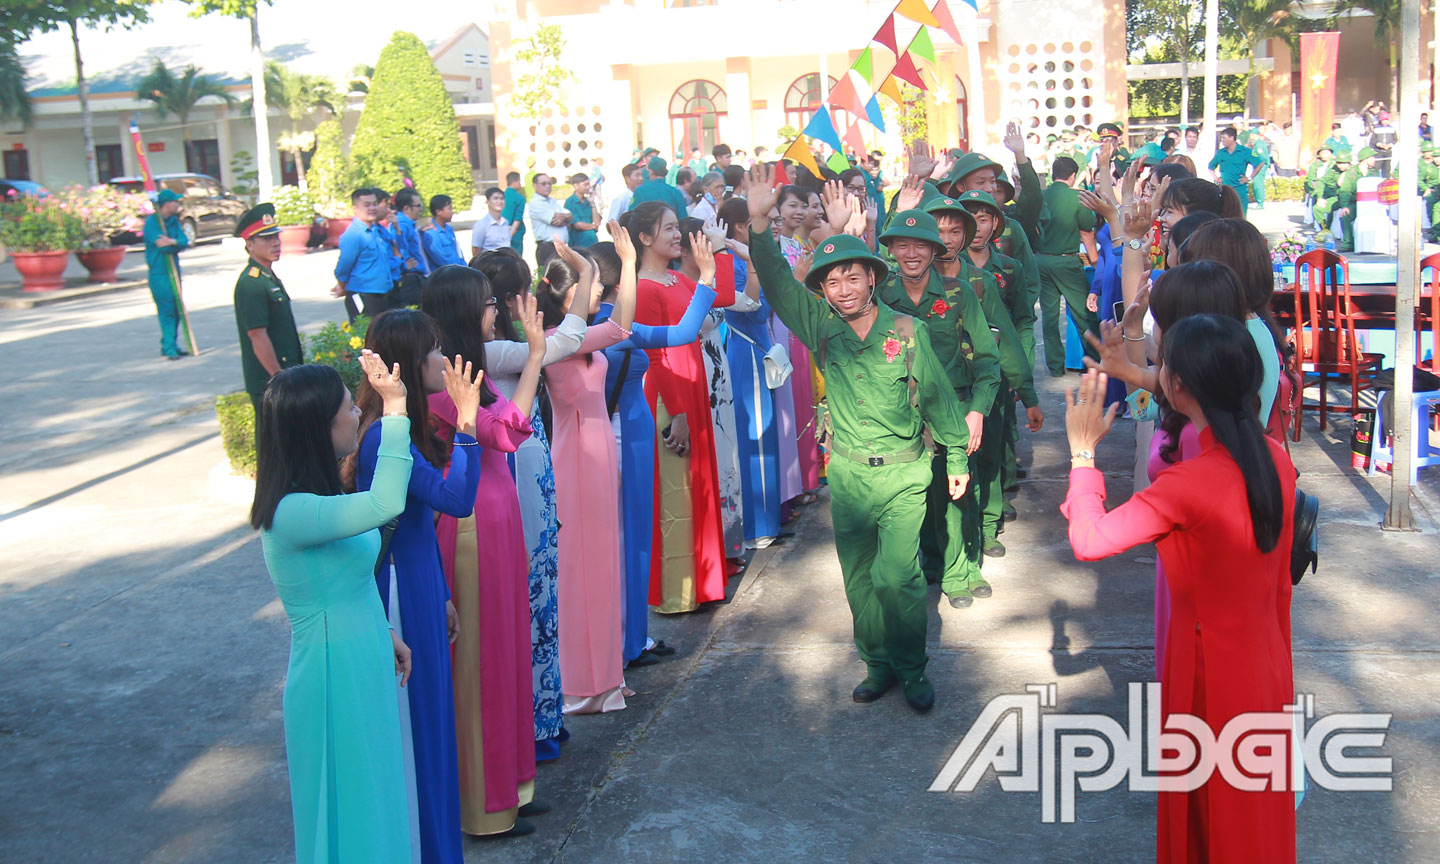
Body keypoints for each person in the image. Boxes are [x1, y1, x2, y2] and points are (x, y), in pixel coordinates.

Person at [1063, 318, 1296, 864]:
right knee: (1254, 810)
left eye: (1162, 363)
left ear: (1180, 385)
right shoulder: (1274, 461)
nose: (1157, 372)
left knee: (1208, 812)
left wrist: (1081, 456)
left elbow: (1091, 540)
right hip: (1262, 661)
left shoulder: (1188, 485)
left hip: (1207, 673)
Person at [745, 165, 970, 712]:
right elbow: (775, 280)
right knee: (860, 581)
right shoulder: (821, 326)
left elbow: (938, 397)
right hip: (846, 475)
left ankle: (913, 668)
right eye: (832, 281)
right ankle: (878, 665)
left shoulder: (906, 331)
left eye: (853, 277)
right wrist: (756, 221)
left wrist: (957, 453)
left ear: (873, 278)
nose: (843, 289)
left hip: (903, 473)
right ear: (822, 289)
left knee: (899, 578)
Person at [251, 352, 419, 864]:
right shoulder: (292, 512)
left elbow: (352, 573)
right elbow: (386, 504)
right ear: (318, 428)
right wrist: (395, 412)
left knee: (375, 793)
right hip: (331, 674)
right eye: (350, 408)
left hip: (360, 656)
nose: (356, 416)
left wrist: (383, 629)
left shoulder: (317, 497)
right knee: (350, 804)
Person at [350, 311, 483, 864]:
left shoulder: (397, 428)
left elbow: (417, 519)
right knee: (422, 730)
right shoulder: (385, 434)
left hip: (423, 585)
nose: (441, 359)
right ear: (405, 362)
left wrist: (446, 593)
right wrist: (470, 426)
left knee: (436, 725)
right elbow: (456, 501)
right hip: (402, 595)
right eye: (432, 350)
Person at [422, 266, 549, 838]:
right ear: (464, 310)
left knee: (506, 653)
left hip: (497, 519)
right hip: (470, 525)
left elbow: (507, 426)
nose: (494, 309)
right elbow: (505, 433)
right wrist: (536, 358)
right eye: (488, 302)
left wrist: (534, 355)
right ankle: (484, 804)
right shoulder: (443, 379)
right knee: (481, 664)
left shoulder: (465, 369)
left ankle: (513, 787)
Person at [472, 247, 586, 762]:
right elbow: (569, 342)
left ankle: (544, 716)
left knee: (542, 592)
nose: (503, 310)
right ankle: (534, 722)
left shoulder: (502, 347)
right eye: (497, 301)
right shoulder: (490, 354)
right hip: (514, 482)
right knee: (531, 597)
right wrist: (586, 278)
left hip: (532, 477)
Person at [591, 238, 715, 666]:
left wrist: (707, 279)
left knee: (627, 538)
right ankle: (623, 641)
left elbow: (681, 334)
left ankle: (630, 639)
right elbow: (679, 335)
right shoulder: (604, 330)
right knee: (625, 539)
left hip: (624, 434)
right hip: (620, 436)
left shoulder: (598, 328)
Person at [535, 235, 638, 714]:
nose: (598, 292)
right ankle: (578, 683)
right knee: (577, 570)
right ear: (565, 294)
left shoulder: (576, 337)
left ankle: (605, 678)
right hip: (575, 458)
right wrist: (591, 269)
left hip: (596, 451)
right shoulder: (555, 343)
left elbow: (618, 327)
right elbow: (614, 329)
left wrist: (625, 263)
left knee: (601, 565)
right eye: (588, 287)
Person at [876, 208, 1000, 604]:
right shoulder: (880, 297)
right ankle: (934, 562)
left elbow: (986, 358)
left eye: (921, 245)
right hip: (904, 415)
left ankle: (963, 567)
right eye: (902, 244)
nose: (911, 253)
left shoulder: (959, 293)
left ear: (934, 250)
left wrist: (978, 410)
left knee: (960, 492)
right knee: (919, 495)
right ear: (892, 249)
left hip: (957, 408)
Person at [629, 201, 735, 614]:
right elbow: (655, 358)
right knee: (676, 494)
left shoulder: (674, 278)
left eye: (677, 227)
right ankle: (677, 593)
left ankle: (705, 584)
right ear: (643, 239)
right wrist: (677, 413)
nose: (677, 235)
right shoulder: (642, 287)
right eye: (669, 229)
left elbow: (719, 297)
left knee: (698, 488)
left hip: (693, 387)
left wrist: (720, 254)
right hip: (669, 394)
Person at [715, 197, 783, 550]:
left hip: (755, 349)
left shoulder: (739, 260)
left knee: (761, 434)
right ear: (741, 226)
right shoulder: (732, 263)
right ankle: (758, 524)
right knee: (756, 434)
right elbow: (755, 312)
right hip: (748, 351)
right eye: (767, 220)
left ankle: (766, 518)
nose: (774, 225)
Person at [232, 204, 303, 413]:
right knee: (273, 442)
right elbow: (257, 336)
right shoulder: (251, 283)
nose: (275, 243)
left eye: (276, 237)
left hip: (285, 373)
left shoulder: (266, 277)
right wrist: (278, 377)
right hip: (270, 379)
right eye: (266, 238)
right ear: (249, 244)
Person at [1035, 156, 1099, 377]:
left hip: (1042, 260)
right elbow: (1087, 231)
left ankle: (1055, 367)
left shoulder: (1041, 197)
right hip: (1067, 261)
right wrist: (1095, 261)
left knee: (1049, 316)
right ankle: (1095, 361)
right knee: (1084, 313)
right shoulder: (1077, 197)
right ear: (1072, 176)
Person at [142, 187, 192, 359]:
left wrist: (173, 241)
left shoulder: (173, 222)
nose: (177, 205)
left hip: (174, 271)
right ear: (166, 204)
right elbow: (161, 245)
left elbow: (184, 241)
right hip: (159, 273)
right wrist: (173, 243)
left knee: (177, 308)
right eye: (174, 202)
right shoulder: (152, 222)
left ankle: (170, 344)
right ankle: (169, 346)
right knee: (167, 310)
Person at [332, 188, 393, 321]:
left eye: (374, 204)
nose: (372, 208)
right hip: (364, 295)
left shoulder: (375, 230)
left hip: (382, 294)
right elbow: (343, 268)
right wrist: (342, 287)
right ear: (355, 208)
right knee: (366, 337)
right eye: (367, 205)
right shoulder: (354, 234)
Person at [1208, 127, 1264, 216]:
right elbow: (1211, 167)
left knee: (1241, 216)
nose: (1222, 141)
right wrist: (1216, 178)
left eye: (1224, 138)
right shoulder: (1221, 153)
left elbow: (1260, 163)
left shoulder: (1245, 151)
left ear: (1232, 138)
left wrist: (1250, 178)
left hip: (1240, 189)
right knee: (1225, 216)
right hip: (1225, 190)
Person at [392, 188, 430, 306]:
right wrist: (404, 265)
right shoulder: (402, 224)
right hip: (411, 280)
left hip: (416, 277)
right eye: (418, 206)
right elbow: (398, 246)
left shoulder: (408, 224)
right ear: (407, 208)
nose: (420, 209)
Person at [526, 174, 571, 267]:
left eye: (549, 183)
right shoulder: (535, 203)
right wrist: (565, 218)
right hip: (547, 248)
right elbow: (555, 221)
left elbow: (570, 216)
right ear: (535, 186)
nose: (547, 186)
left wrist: (564, 217)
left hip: (560, 247)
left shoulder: (553, 201)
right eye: (543, 184)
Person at [421, 194, 467, 270]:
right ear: (438, 211)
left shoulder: (449, 229)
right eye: (449, 209)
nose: (452, 212)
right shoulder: (431, 234)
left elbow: (458, 253)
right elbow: (442, 260)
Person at [472, 187, 512, 257]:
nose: (499, 202)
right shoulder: (481, 224)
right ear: (488, 202)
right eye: (495, 198)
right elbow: (476, 250)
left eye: (502, 199)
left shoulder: (505, 222)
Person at [563, 175, 599, 249]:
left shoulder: (587, 201)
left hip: (593, 242)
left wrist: (592, 204)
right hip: (579, 244)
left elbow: (597, 222)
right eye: (585, 184)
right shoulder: (570, 202)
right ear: (576, 186)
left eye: (588, 184)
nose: (588, 187)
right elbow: (578, 225)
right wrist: (593, 226)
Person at [503, 171, 528, 253]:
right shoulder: (519, 198)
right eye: (519, 181)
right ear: (515, 182)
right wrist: (509, 237)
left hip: (501, 231)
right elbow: (517, 218)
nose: (520, 184)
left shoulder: (501, 196)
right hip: (515, 233)